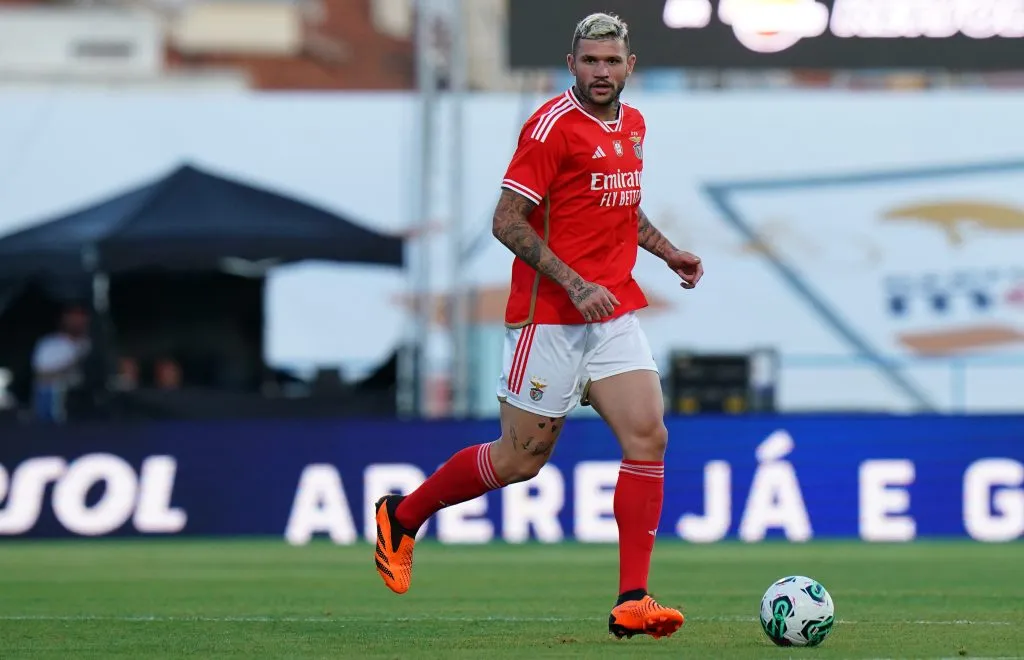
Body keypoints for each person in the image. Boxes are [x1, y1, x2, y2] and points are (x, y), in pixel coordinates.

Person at [373, 12, 704, 640]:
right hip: (549, 318)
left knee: (648, 436)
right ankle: (403, 516)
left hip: (612, 313)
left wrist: (669, 253)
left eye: (611, 61)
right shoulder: (550, 127)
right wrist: (575, 283)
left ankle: (632, 599)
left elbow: (621, 207)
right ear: (571, 63)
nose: (601, 71)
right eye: (590, 61)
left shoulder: (632, 124)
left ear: (630, 66)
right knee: (520, 460)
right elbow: (506, 221)